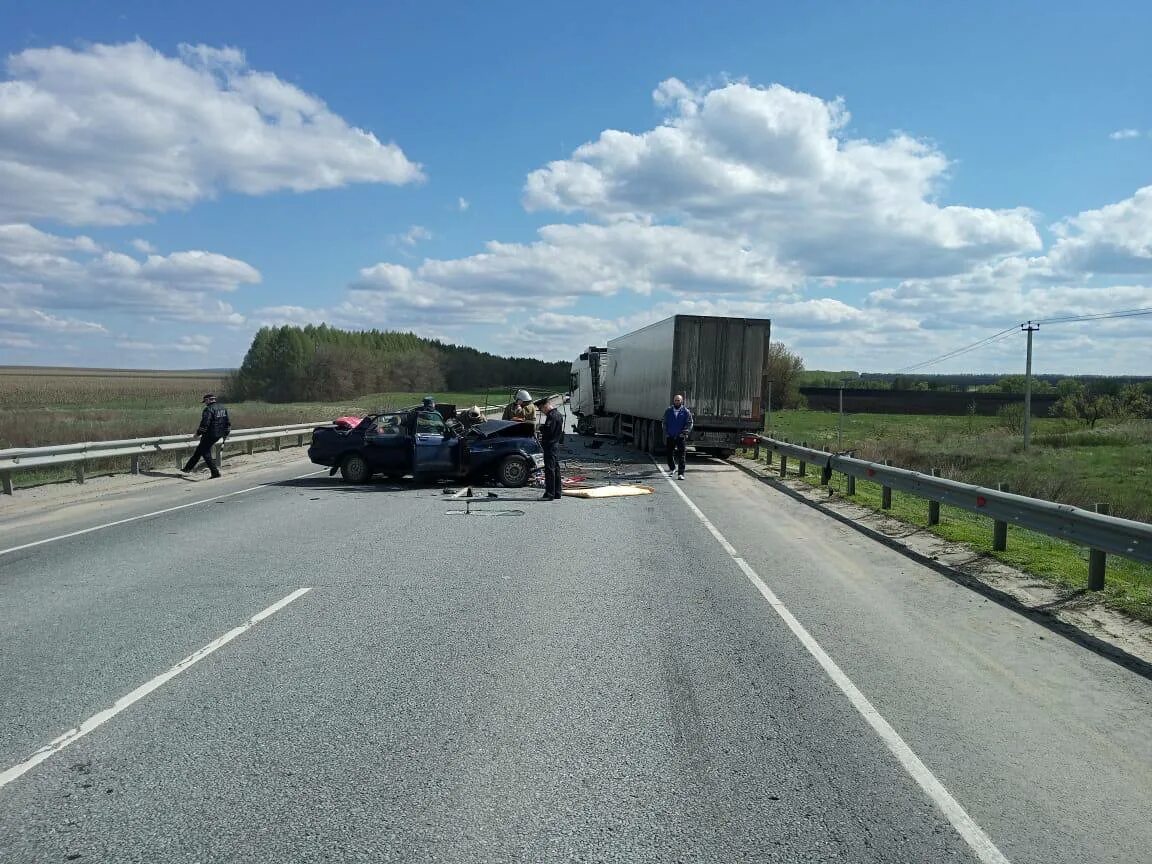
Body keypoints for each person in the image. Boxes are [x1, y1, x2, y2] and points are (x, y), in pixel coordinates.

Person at [183, 393, 231, 478]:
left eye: (205, 401)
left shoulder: (208, 409)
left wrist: (198, 433)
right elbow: (227, 422)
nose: (205, 403)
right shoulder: (223, 408)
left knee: (205, 452)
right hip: (219, 434)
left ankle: (215, 472)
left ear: (209, 400)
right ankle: (187, 469)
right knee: (199, 450)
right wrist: (226, 433)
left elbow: (205, 424)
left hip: (210, 434)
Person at [537, 396, 564, 500]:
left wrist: (541, 428)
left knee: (550, 470)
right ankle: (557, 492)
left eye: (542, 409)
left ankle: (549, 494)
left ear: (546, 406)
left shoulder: (551, 416)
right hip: (555, 444)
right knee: (556, 469)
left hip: (550, 445)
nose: (542, 411)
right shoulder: (558, 415)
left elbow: (549, 431)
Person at [662, 393, 693, 480]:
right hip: (670, 436)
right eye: (675, 400)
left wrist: (685, 432)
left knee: (682, 455)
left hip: (680, 436)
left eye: (678, 400)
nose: (677, 402)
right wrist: (666, 432)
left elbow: (689, 423)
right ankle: (672, 468)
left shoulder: (686, 411)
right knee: (669, 454)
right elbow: (664, 422)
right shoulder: (668, 411)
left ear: (681, 401)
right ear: (673, 401)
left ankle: (681, 473)